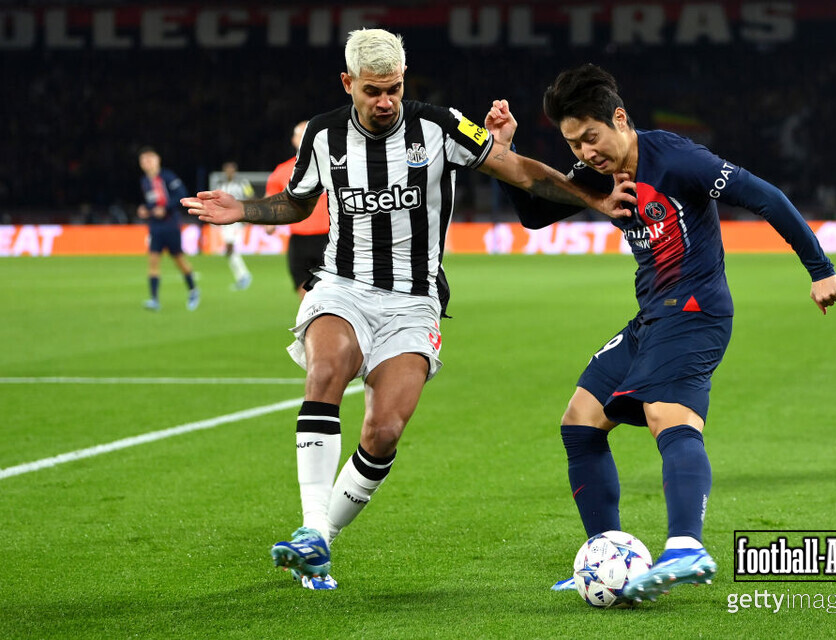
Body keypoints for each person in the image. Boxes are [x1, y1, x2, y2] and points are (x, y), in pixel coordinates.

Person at [181, 30, 633, 591]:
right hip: (342, 286)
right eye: (373, 91)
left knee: (384, 430)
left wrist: (592, 198)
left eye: (394, 89)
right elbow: (298, 201)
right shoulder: (323, 135)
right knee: (327, 370)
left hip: (414, 301)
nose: (386, 101)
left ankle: (323, 541)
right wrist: (243, 210)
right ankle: (311, 528)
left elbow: (520, 171)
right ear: (348, 84)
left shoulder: (441, 126)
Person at [484, 64, 836, 602]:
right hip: (653, 315)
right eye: (574, 144)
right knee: (580, 422)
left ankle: (686, 547)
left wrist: (819, 269)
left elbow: (764, 195)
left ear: (620, 119)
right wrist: (500, 153)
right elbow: (535, 214)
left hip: (695, 311)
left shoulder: (676, 159)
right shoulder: (600, 176)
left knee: (665, 415)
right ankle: (606, 558)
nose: (585, 153)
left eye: (591, 137)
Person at [264, 122, 331, 300]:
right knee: (305, 292)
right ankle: (312, 322)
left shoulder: (334, 166)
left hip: (329, 239)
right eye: (300, 136)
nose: (304, 140)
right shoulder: (282, 171)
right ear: (293, 140)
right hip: (299, 241)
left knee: (329, 293)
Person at [137, 147, 200, 311]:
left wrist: (165, 208)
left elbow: (181, 194)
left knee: (179, 260)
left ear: (158, 160)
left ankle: (193, 290)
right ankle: (154, 299)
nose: (147, 163)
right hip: (155, 226)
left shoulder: (167, 177)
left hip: (170, 224)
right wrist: (146, 209)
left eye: (150, 159)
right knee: (153, 260)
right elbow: (153, 203)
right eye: (143, 160)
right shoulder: (145, 181)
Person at [215, 161, 255, 290]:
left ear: (235, 170)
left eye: (231, 169)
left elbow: (251, 196)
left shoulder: (243, 183)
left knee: (230, 248)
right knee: (229, 250)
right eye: (227, 170)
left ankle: (244, 276)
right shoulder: (221, 185)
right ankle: (242, 276)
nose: (229, 172)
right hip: (225, 220)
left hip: (238, 219)